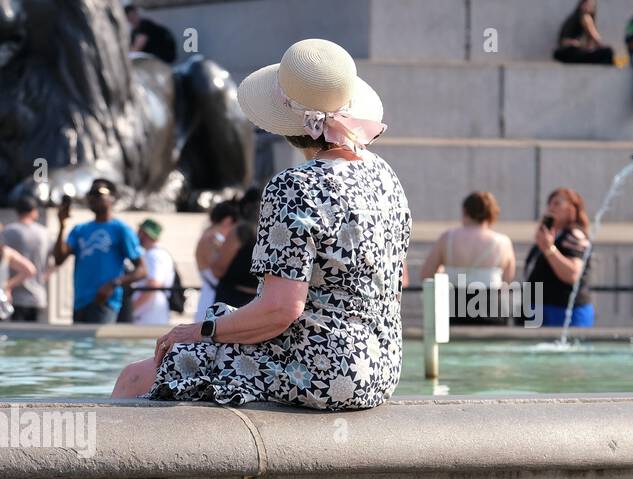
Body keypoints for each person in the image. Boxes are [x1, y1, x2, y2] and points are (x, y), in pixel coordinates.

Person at [112, 39, 411, 412]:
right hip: (381, 368)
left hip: (325, 371)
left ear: (287, 122)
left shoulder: (296, 186)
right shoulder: (385, 177)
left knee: (139, 376)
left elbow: (281, 310)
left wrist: (198, 331)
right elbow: (399, 279)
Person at [53, 179, 146, 325]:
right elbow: (59, 259)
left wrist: (114, 283)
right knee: (80, 348)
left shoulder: (121, 229)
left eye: (99, 193)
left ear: (112, 198)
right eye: (90, 194)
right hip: (80, 302)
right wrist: (61, 225)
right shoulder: (80, 230)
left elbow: (142, 270)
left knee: (99, 347)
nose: (93, 198)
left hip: (105, 302)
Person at [524, 187, 595, 327]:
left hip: (564, 309)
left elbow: (572, 274)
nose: (551, 208)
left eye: (557, 203)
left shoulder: (574, 235)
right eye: (549, 203)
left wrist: (549, 249)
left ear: (571, 209)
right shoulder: (551, 236)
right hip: (540, 308)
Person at [420, 192, 516, 288]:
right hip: (489, 301)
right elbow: (507, 281)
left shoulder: (447, 238)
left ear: (465, 211)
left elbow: (426, 274)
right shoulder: (503, 243)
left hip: (452, 300)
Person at [2, 196, 52, 323]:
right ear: (34, 211)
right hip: (38, 296)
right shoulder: (44, 233)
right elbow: (55, 261)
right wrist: (44, 276)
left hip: (15, 297)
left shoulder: (8, 232)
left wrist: (7, 285)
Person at [194, 200, 239, 321]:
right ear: (227, 221)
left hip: (210, 295)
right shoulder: (213, 239)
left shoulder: (208, 236)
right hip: (213, 298)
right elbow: (219, 270)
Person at [130, 219, 175, 325]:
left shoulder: (154, 255)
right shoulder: (156, 254)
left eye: (139, 231)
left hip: (149, 313)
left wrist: (133, 309)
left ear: (144, 234)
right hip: (152, 310)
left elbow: (153, 284)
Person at [554, 0, 616, 64]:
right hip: (571, 52)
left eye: (592, 6)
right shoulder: (585, 17)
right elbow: (597, 39)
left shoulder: (574, 18)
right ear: (582, 4)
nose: (590, 7)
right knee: (608, 52)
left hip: (565, 54)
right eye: (589, 5)